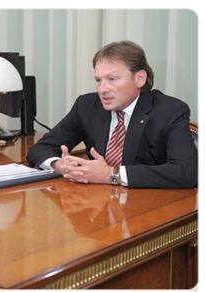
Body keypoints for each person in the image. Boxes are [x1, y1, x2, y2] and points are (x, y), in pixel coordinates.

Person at [27, 41, 197, 189]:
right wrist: (59, 165)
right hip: (97, 206)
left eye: (112, 79)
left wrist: (111, 174)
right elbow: (40, 149)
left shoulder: (170, 110)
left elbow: (184, 172)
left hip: (148, 210)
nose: (102, 89)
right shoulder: (87, 106)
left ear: (139, 78)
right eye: (98, 80)